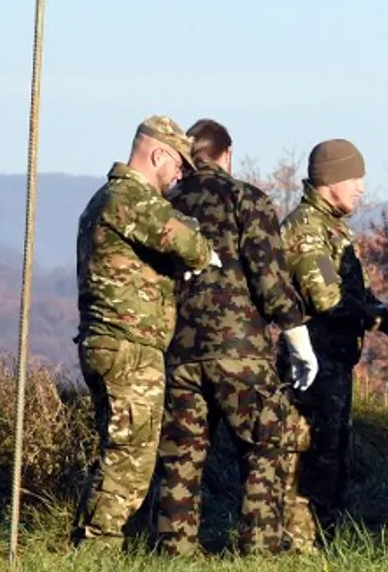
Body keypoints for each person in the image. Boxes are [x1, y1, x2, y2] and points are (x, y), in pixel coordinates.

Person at [154, 119, 318, 555]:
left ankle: (174, 553)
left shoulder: (166, 205)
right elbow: (269, 277)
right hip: (240, 352)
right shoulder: (246, 199)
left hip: (180, 351)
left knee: (180, 458)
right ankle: (259, 552)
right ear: (228, 154)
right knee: (267, 447)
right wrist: (297, 336)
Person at [277, 138, 388, 547]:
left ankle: (322, 545)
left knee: (331, 460)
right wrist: (387, 318)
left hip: (333, 366)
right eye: (355, 178)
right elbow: (326, 298)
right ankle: (298, 550)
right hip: (311, 369)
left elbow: (353, 298)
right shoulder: (307, 231)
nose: (362, 188)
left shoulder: (330, 229)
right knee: (307, 463)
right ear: (331, 180)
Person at [71, 116, 220, 549]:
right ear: (158, 154)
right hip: (129, 346)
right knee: (130, 459)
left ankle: (90, 542)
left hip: (110, 343)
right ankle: (97, 548)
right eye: (179, 167)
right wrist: (197, 247)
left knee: (118, 449)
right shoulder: (131, 198)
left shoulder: (106, 198)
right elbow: (192, 244)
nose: (179, 177)